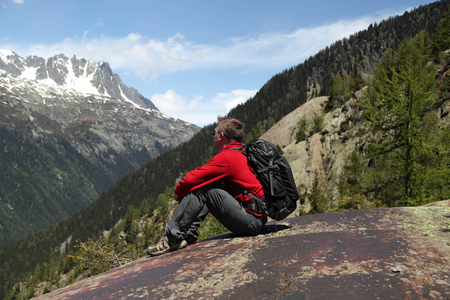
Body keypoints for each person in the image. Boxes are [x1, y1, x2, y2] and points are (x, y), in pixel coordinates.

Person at [145, 117, 267, 256]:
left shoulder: (228, 157)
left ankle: (172, 238)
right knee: (208, 186)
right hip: (256, 216)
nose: (213, 135)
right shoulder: (241, 151)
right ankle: (187, 234)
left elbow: (193, 178)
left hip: (251, 221)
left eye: (213, 132)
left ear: (221, 136)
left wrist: (178, 192)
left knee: (204, 188)